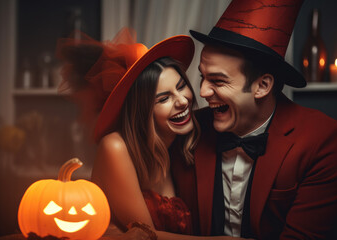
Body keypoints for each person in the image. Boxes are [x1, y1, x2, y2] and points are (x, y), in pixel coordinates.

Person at [171, 0, 337, 239]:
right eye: (203, 77)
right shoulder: (189, 128)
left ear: (262, 86)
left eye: (218, 80)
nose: (202, 92)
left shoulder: (323, 141)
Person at [57, 28, 242, 240]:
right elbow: (145, 236)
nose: (182, 101)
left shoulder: (180, 144)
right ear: (142, 110)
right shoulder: (115, 147)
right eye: (164, 99)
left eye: (182, 87)